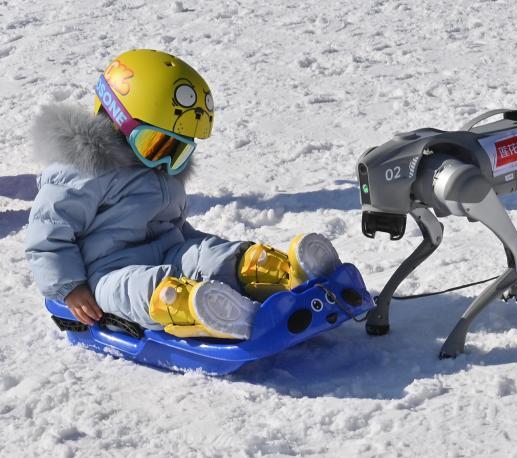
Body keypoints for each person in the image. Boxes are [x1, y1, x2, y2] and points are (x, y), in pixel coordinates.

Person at [25, 49, 341, 340]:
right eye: (156, 145)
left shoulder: (160, 173)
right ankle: (188, 305)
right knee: (134, 289)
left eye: (175, 151)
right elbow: (47, 235)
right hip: (106, 273)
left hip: (168, 252)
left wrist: (212, 252)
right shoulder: (80, 171)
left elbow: (174, 226)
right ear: (117, 119)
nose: (164, 161)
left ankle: (272, 269)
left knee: (206, 252)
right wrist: (69, 287)